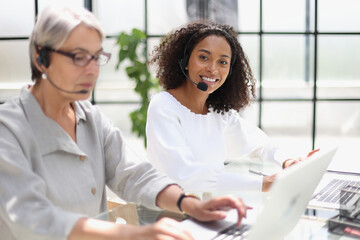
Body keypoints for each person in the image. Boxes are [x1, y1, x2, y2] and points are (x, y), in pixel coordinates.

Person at [0, 6, 250, 240]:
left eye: (96, 57)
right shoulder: (8, 129)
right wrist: (136, 234)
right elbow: (31, 216)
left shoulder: (92, 120)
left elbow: (134, 174)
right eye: (78, 57)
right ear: (41, 57)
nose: (92, 70)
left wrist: (191, 204)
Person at [146, 21, 316, 195]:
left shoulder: (218, 113)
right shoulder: (164, 106)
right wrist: (262, 183)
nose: (213, 69)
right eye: (204, 57)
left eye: (222, 62)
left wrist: (288, 160)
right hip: (171, 215)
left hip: (210, 209)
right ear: (185, 61)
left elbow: (261, 145)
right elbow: (184, 175)